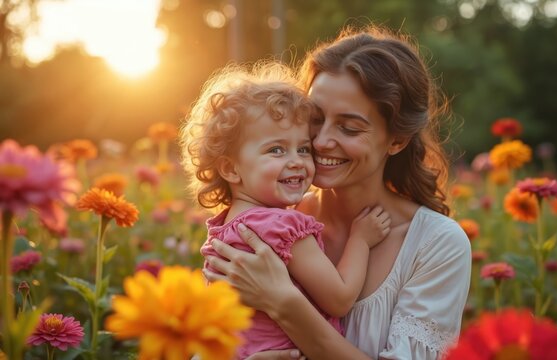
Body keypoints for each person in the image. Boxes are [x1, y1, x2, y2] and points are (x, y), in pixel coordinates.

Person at [204, 25, 472, 360]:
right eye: (315, 119)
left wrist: (284, 303)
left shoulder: (435, 244)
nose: (320, 141)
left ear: (397, 140)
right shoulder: (272, 220)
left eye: (348, 127)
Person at [180, 63, 392, 360]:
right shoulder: (280, 228)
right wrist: (360, 239)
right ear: (230, 168)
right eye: (276, 150)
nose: (296, 161)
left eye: (303, 149)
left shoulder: (224, 228)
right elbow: (340, 299)